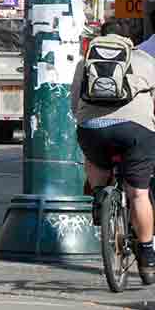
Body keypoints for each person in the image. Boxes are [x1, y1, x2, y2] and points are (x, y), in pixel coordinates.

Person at [77, 20, 155, 282]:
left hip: (92, 129)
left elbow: (73, 101)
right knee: (138, 194)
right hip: (136, 132)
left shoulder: (85, 62)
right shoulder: (143, 59)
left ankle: (100, 197)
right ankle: (146, 254)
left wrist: (88, 121)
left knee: (94, 158)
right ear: (129, 39)